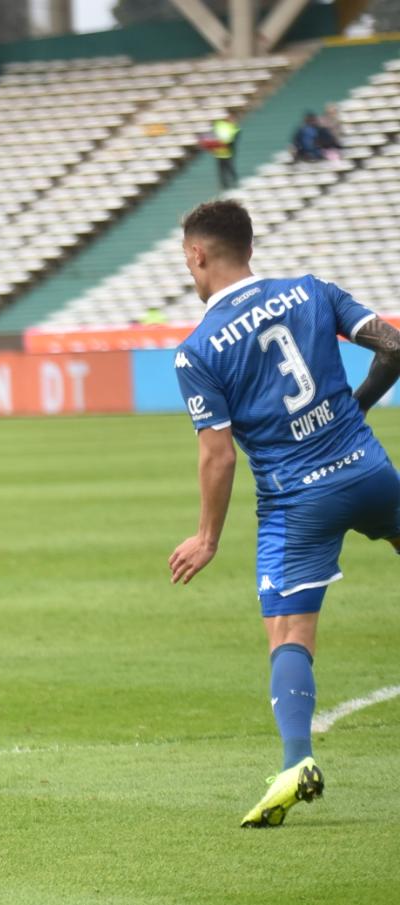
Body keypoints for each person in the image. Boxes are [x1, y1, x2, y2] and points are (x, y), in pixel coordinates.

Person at [168, 199, 400, 828]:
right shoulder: (311, 289)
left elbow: (218, 457)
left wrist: (207, 537)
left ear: (197, 255)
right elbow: (394, 346)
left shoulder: (196, 352)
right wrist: (353, 408)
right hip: (370, 470)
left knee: (290, 634)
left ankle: (297, 761)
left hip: (297, 502)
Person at [209, 113, 240, 191]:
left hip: (228, 151)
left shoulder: (233, 128)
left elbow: (232, 139)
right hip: (220, 151)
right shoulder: (223, 127)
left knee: (228, 167)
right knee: (221, 168)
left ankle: (234, 182)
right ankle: (224, 184)